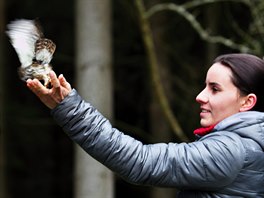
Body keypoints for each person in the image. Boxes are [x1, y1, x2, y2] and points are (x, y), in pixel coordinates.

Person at [26, 53, 264, 197]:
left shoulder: (231, 151)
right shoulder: (252, 147)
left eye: (215, 89)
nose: (200, 96)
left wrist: (71, 109)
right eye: (205, 86)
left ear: (247, 102)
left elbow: (141, 161)